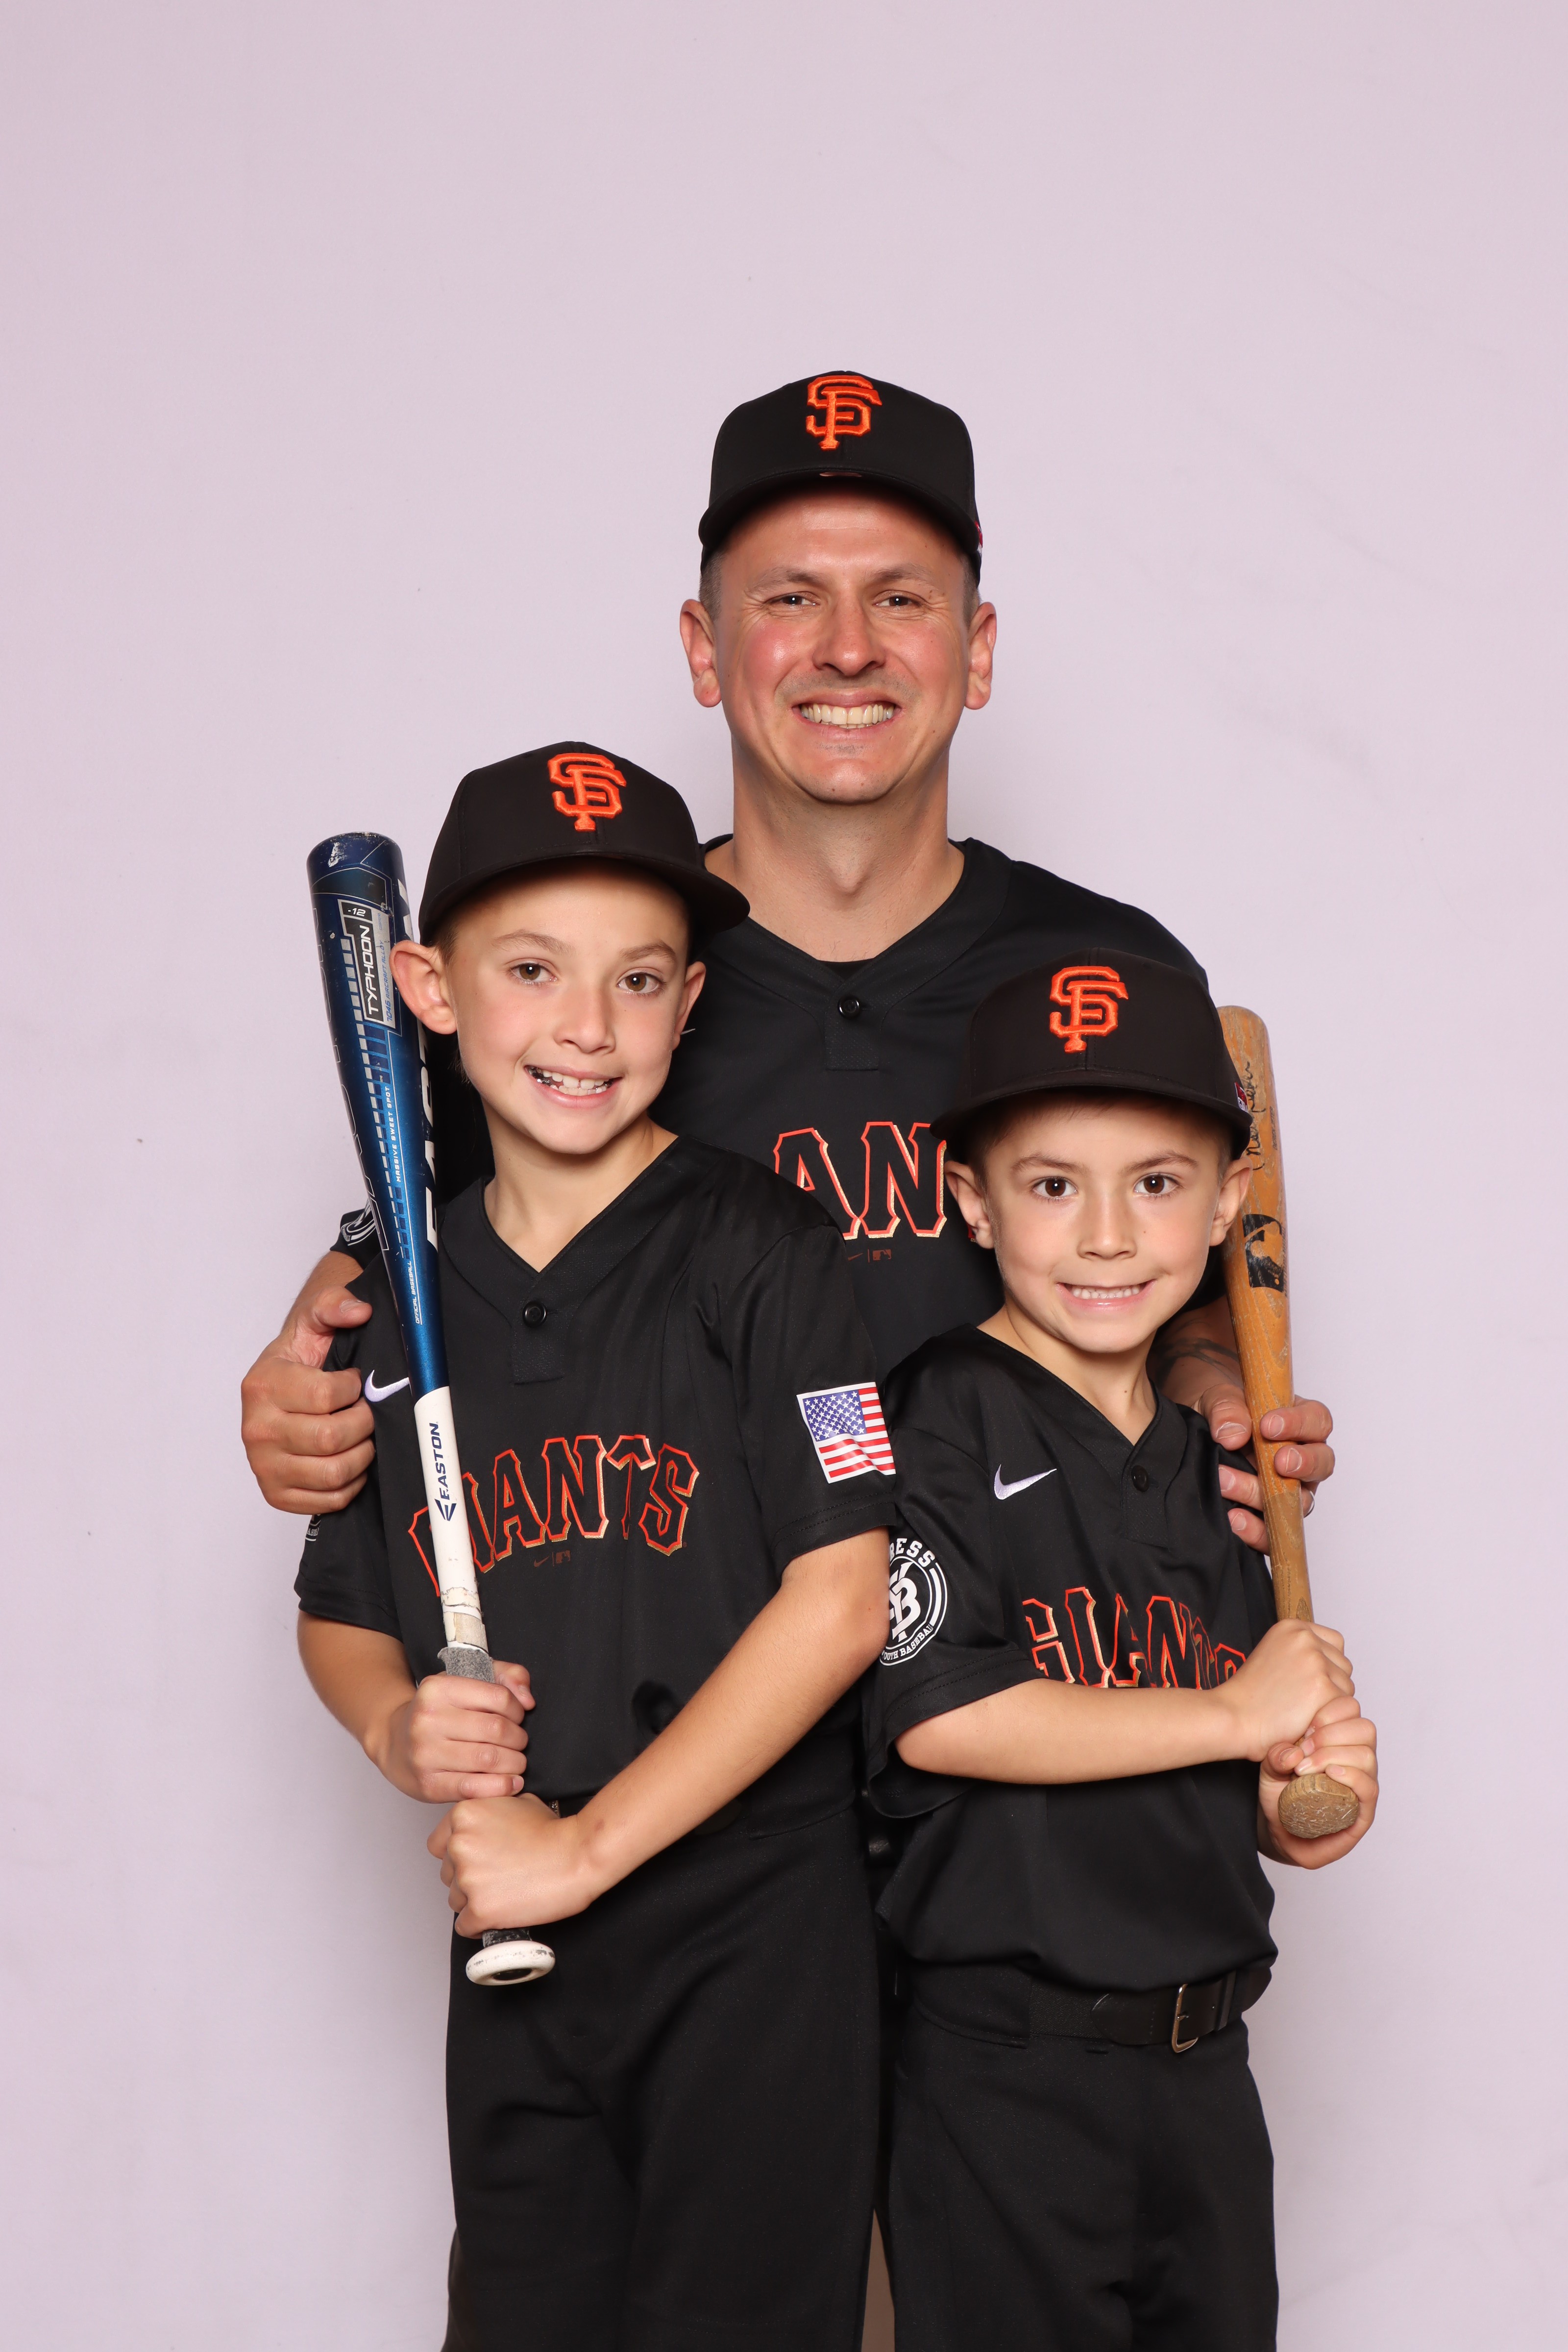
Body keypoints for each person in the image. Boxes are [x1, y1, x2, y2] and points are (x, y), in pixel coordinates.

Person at [241, 370, 1337, 1554]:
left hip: (1045, 1649)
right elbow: (438, 1242)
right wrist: (318, 1366)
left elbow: (1194, 1298)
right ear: (704, 649)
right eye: (791, 598)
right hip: (674, 1650)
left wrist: (1211, 1389)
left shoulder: (1109, 971)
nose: (849, 649)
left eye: (900, 598)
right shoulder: (586, 999)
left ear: (976, 652)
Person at [295, 743, 898, 2351]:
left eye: (639, 978)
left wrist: (586, 1852)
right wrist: (394, 1724)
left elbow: (844, 1600)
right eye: (531, 970)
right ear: (428, 989)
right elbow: (342, 1605)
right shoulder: (392, 1295)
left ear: (690, 1005)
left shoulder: (767, 1248)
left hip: (753, 1932)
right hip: (514, 1926)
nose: (589, 1025)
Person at [863, 951, 1380, 2351]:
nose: (1105, 1235)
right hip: (1004, 2076)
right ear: (972, 1199)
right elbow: (943, 1713)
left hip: (1206, 2069)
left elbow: (1227, 1768)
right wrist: (1235, 1718)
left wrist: (1292, 1794)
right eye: (1051, 1185)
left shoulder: (1218, 1466)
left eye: (1156, 1182)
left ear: (1226, 1204)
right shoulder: (934, 1420)